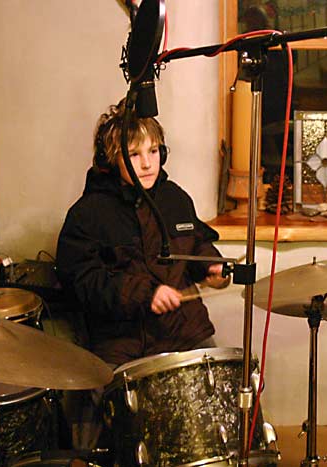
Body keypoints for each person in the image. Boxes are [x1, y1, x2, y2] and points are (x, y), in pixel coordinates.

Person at [55, 98, 230, 447]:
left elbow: (195, 245)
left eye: (154, 151)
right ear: (110, 158)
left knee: (221, 406)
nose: (148, 163)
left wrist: (211, 265)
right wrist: (145, 294)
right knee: (109, 429)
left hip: (184, 332)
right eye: (135, 154)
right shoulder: (87, 215)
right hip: (122, 344)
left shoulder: (175, 198)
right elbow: (84, 282)